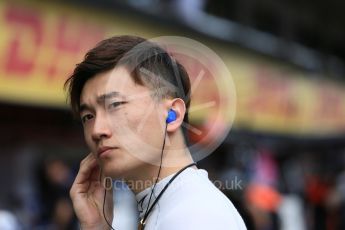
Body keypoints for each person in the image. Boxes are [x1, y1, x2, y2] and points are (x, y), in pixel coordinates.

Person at [65, 35, 246, 229]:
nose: (97, 131)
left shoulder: (195, 217)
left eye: (115, 104)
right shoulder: (173, 205)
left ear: (172, 115)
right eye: (88, 117)